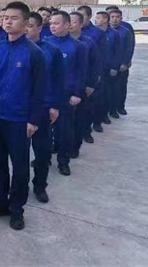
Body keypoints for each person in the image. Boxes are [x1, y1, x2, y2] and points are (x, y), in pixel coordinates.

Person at [0, 1, 45, 230]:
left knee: (19, 168)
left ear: (26, 23)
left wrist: (33, 120)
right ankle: (0, 203)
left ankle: (17, 209)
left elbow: (39, 90)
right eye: (5, 17)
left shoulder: (34, 53)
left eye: (14, 18)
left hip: (19, 120)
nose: (8, 21)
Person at [25, 12, 64, 203]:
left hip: (43, 107)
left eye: (30, 26)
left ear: (40, 28)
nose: (26, 29)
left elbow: (58, 80)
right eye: (24, 25)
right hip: (19, 108)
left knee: (42, 150)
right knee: (18, 154)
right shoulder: (12, 49)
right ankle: (19, 187)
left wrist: (55, 105)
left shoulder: (51, 51)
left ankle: (40, 186)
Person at [45, 11, 87, 176]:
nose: (52, 26)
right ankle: (44, 158)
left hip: (66, 95)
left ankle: (63, 161)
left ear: (67, 25)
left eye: (56, 23)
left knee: (64, 131)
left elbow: (81, 72)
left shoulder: (77, 46)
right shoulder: (45, 43)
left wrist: (77, 93)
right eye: (51, 23)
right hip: (46, 94)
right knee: (44, 130)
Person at [69, 12, 99, 150]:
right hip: (64, 87)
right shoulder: (59, 42)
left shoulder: (88, 43)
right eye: (68, 21)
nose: (70, 24)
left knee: (79, 116)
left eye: (74, 22)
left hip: (82, 85)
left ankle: (76, 145)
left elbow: (94, 65)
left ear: (81, 24)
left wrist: (91, 84)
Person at [77, 5, 107, 133]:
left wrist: (96, 76)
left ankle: (88, 130)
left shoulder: (97, 33)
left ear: (89, 17)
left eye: (82, 15)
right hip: (75, 76)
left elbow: (101, 56)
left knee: (90, 104)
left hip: (90, 74)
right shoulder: (70, 34)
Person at [95, 11, 120, 127]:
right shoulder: (95, 33)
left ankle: (103, 116)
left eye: (98, 18)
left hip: (108, 69)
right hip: (96, 68)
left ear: (105, 19)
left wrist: (115, 66)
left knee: (106, 94)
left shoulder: (114, 34)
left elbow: (117, 51)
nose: (96, 20)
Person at [109, 9, 134, 117]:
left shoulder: (126, 32)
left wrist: (125, 62)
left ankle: (120, 107)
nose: (115, 19)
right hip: (109, 66)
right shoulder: (105, 31)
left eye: (117, 17)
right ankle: (110, 109)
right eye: (112, 17)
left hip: (121, 65)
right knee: (109, 90)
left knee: (120, 87)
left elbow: (129, 48)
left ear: (121, 18)